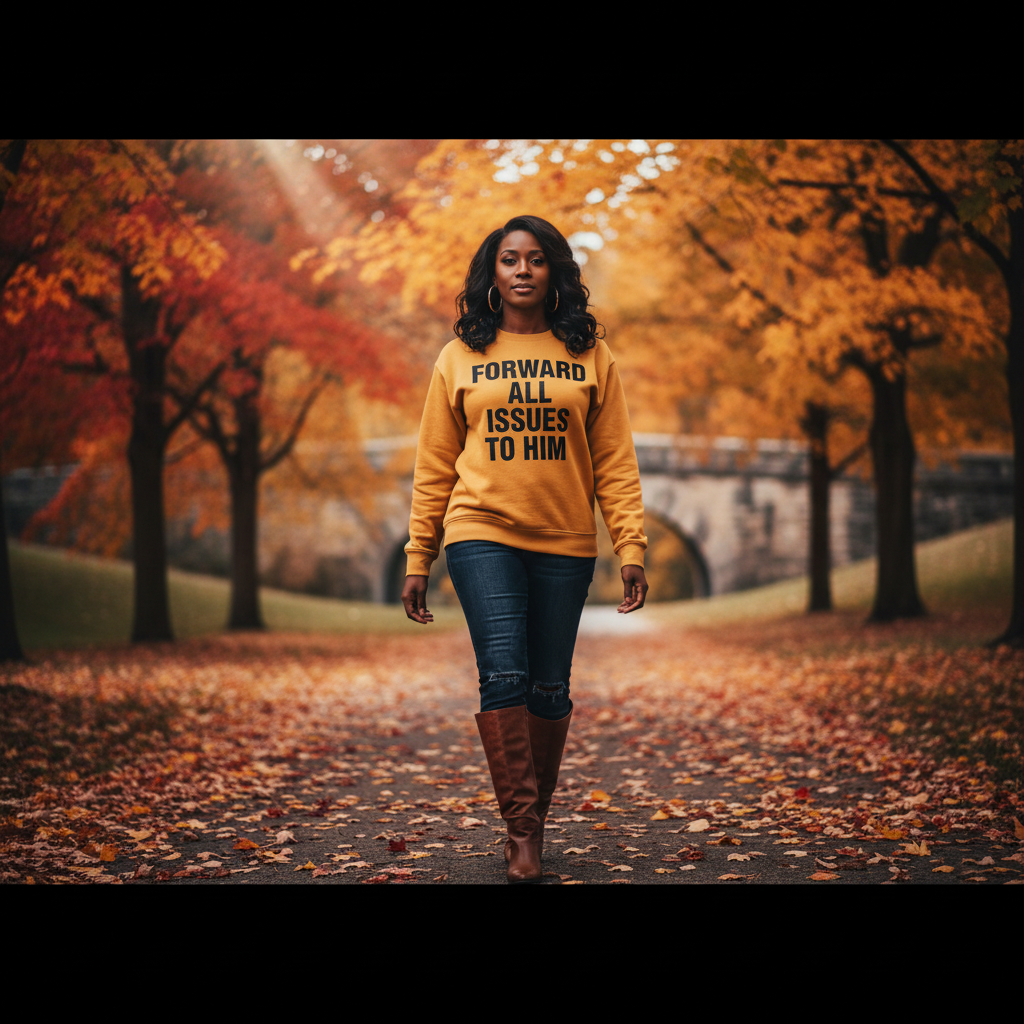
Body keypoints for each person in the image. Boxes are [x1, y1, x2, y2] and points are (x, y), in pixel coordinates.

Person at [401, 214, 648, 883]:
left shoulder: (590, 355)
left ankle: (531, 817)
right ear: (493, 272)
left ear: (554, 271)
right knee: (503, 674)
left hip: (564, 539)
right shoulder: (459, 357)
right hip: (479, 531)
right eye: (509, 259)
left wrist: (630, 545)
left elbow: (615, 461)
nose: (522, 270)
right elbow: (434, 463)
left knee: (548, 686)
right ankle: (522, 830)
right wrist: (419, 553)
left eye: (536, 259)